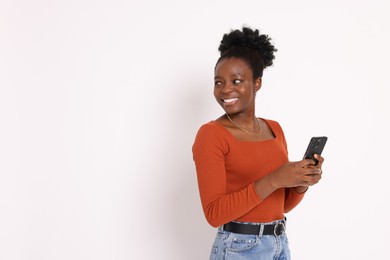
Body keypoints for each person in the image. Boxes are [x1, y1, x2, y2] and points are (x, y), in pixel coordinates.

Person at [192, 26, 324, 260]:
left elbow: (280, 206)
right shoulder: (211, 134)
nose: (225, 90)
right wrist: (275, 179)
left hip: (279, 243)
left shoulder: (274, 129)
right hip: (238, 248)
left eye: (236, 80)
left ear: (257, 83)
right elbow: (214, 213)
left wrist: (301, 182)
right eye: (218, 82)